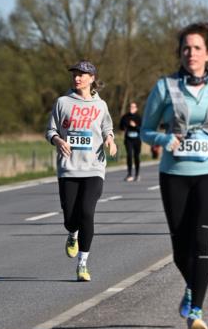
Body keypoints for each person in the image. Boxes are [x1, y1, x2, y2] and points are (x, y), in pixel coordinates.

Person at [141, 22, 208, 329]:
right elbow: (146, 130)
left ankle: (196, 310)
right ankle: (192, 287)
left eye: (197, 48)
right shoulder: (164, 87)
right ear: (180, 53)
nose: (190, 53)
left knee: (202, 239)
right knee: (181, 248)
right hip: (175, 173)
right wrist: (162, 140)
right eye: (186, 48)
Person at [46, 60, 117, 281]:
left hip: (94, 166)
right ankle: (72, 233)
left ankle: (83, 264)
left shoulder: (100, 105)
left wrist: (110, 140)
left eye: (82, 75)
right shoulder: (62, 102)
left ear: (92, 78)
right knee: (70, 218)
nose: (77, 78)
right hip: (69, 168)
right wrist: (58, 140)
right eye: (75, 74)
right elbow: (51, 130)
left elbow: (107, 127)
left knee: (87, 212)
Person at [119, 101, 142, 181]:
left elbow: (142, 129)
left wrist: (135, 126)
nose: (131, 108)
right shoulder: (125, 117)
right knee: (129, 155)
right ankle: (129, 174)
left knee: (136, 156)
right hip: (128, 139)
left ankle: (137, 174)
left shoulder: (139, 117)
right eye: (130, 107)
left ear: (136, 108)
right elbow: (121, 127)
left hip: (137, 139)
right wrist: (125, 126)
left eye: (133, 107)